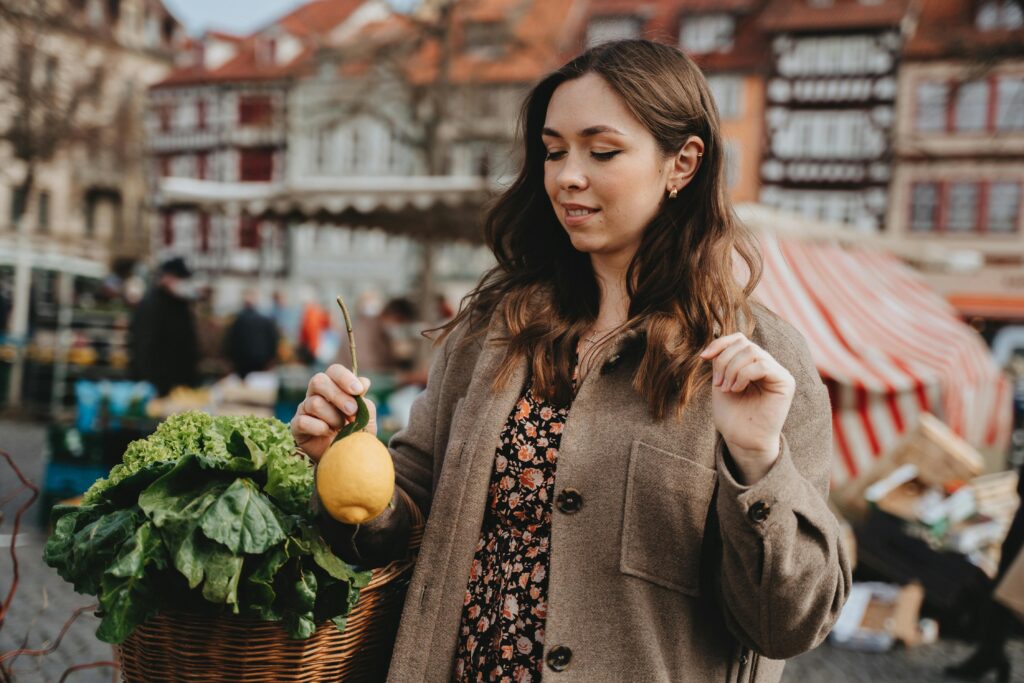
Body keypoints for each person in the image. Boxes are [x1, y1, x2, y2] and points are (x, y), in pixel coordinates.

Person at [292, 40, 850, 682]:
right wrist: (344, 457)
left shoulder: (760, 360)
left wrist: (758, 463)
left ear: (683, 163)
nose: (566, 176)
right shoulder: (493, 331)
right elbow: (408, 510)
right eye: (554, 151)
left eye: (602, 151)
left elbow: (789, 623)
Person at [128, 257, 200, 396]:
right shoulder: (151, 305)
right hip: (159, 386)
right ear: (167, 277)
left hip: (179, 386)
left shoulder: (179, 304)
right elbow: (143, 347)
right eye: (180, 277)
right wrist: (149, 385)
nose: (183, 283)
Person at [224, 289, 280, 379]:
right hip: (261, 361)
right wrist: (271, 359)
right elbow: (273, 340)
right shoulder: (265, 320)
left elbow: (230, 342)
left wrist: (230, 359)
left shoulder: (237, 321)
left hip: (241, 363)